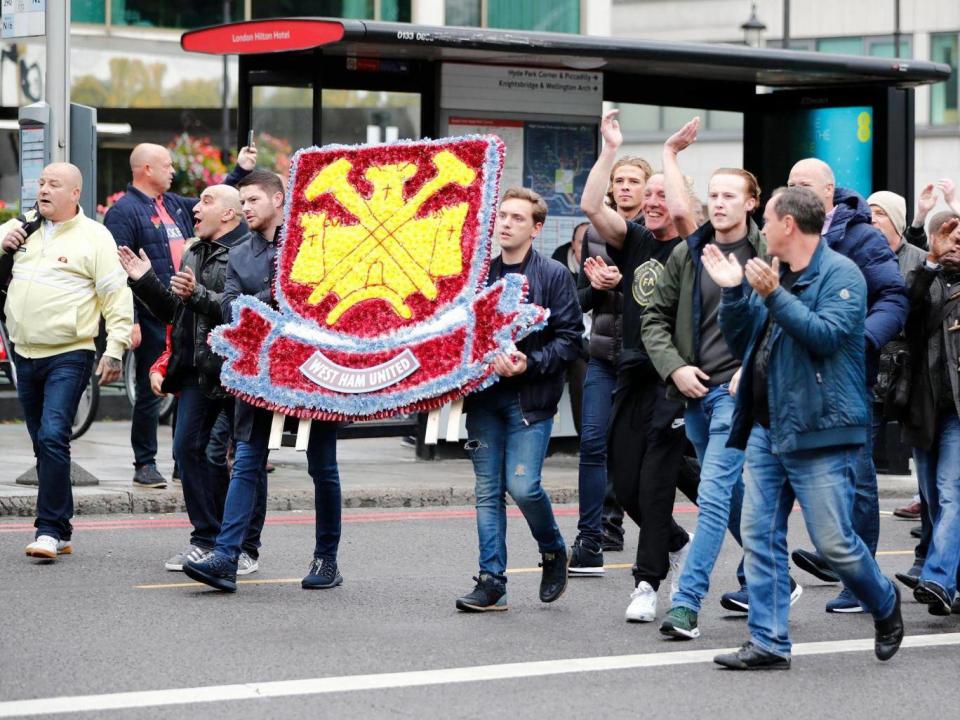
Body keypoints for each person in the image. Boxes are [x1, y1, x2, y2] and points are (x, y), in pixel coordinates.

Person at [706, 185, 904, 670]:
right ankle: (769, 642)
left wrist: (772, 296)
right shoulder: (776, 272)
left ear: (789, 224)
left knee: (834, 543)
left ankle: (883, 601)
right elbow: (742, 340)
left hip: (818, 429)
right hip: (767, 428)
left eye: (768, 221)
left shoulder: (843, 275)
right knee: (760, 535)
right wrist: (735, 293)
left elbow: (826, 337)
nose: (763, 230)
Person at [642, 118, 800, 639]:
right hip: (694, 393)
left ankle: (686, 604)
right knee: (728, 497)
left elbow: (781, 325)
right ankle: (774, 575)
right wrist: (675, 367)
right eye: (714, 195)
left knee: (711, 496)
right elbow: (653, 319)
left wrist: (748, 373)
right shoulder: (689, 253)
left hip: (737, 396)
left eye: (731, 195)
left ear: (752, 202)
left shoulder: (769, 257)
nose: (721, 203)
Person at [183, 170, 343, 593]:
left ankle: (326, 559)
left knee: (322, 467)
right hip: (258, 370)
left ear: (278, 199)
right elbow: (232, 305)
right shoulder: (240, 252)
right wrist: (271, 310)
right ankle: (226, 557)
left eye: (253, 200)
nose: (245, 208)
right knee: (247, 460)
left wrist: (265, 309)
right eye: (242, 201)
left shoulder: (313, 243)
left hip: (313, 371)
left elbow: (325, 300)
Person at [117, 184, 265, 574]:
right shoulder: (194, 251)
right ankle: (206, 538)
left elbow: (245, 314)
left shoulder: (249, 253)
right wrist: (145, 280)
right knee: (186, 452)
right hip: (198, 370)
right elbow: (177, 315)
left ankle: (245, 546)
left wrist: (198, 294)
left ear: (228, 214)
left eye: (206, 201)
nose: (195, 208)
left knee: (237, 458)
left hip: (237, 372)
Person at [580, 110, 693, 624]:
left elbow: (688, 217)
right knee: (623, 481)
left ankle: (647, 583)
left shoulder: (693, 243)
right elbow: (589, 205)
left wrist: (669, 158)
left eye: (659, 195)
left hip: (674, 378)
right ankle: (674, 540)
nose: (649, 202)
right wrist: (609, 149)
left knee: (654, 481)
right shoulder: (636, 241)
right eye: (644, 195)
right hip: (630, 370)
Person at [786, 159, 909, 613]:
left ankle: (863, 581)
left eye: (805, 185)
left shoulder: (861, 236)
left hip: (848, 375)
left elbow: (893, 297)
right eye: (791, 183)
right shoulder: (785, 232)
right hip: (796, 377)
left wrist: (861, 343)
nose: (796, 191)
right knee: (798, 477)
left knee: (855, 477)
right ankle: (781, 574)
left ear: (828, 192)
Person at [456, 187, 583, 612]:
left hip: (530, 400)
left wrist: (529, 362)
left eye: (517, 218)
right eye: (502, 216)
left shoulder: (552, 274)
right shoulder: (479, 276)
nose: (506, 224)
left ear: (537, 227)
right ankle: (492, 581)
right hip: (483, 402)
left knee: (523, 486)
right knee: (487, 489)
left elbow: (570, 340)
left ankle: (552, 549)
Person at [0, 163, 133, 559]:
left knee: (54, 435)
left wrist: (116, 348)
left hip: (70, 353)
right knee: (43, 441)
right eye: (40, 183)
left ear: (75, 193)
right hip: (24, 352)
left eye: (54, 184)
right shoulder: (20, 229)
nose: (43, 190)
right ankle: (61, 525)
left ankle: (48, 530)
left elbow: (116, 296)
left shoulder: (95, 237)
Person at [104, 142, 255, 489]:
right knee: (150, 391)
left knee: (191, 418)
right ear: (146, 170)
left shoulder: (173, 205)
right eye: (168, 165)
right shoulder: (124, 212)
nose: (173, 171)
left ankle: (184, 468)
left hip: (191, 321)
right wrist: (132, 319)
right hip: (155, 313)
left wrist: (241, 171)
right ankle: (145, 462)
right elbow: (117, 269)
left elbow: (222, 203)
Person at [576, 156, 652, 557]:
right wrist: (599, 286)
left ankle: (654, 530)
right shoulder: (593, 234)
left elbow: (655, 295)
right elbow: (580, 301)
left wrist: (621, 284)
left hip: (641, 358)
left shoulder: (653, 233)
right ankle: (596, 532)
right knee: (592, 441)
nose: (624, 187)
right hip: (603, 353)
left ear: (647, 188)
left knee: (631, 449)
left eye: (633, 181)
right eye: (618, 180)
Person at [899, 212, 960, 615]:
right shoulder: (926, 280)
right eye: (949, 237)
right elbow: (906, 312)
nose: (955, 244)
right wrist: (930, 264)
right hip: (923, 407)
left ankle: (937, 578)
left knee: (953, 493)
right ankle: (951, 582)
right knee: (934, 499)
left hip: (957, 410)